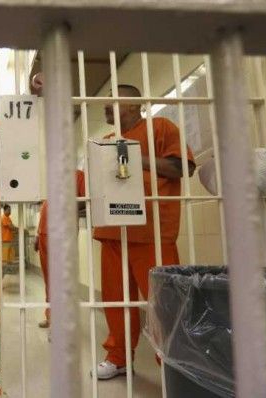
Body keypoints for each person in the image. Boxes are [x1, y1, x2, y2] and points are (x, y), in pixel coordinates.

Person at [92, 84, 196, 380]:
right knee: (115, 301)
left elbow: (181, 167)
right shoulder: (108, 141)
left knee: (162, 303)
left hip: (152, 230)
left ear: (134, 103)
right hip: (112, 230)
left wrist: (131, 156)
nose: (106, 105)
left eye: (113, 99)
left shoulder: (160, 127)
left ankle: (171, 364)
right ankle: (118, 357)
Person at [34, 170, 86, 329]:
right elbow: (46, 205)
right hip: (44, 232)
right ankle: (51, 316)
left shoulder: (78, 175)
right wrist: (38, 233)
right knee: (49, 279)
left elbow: (85, 200)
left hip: (63, 234)